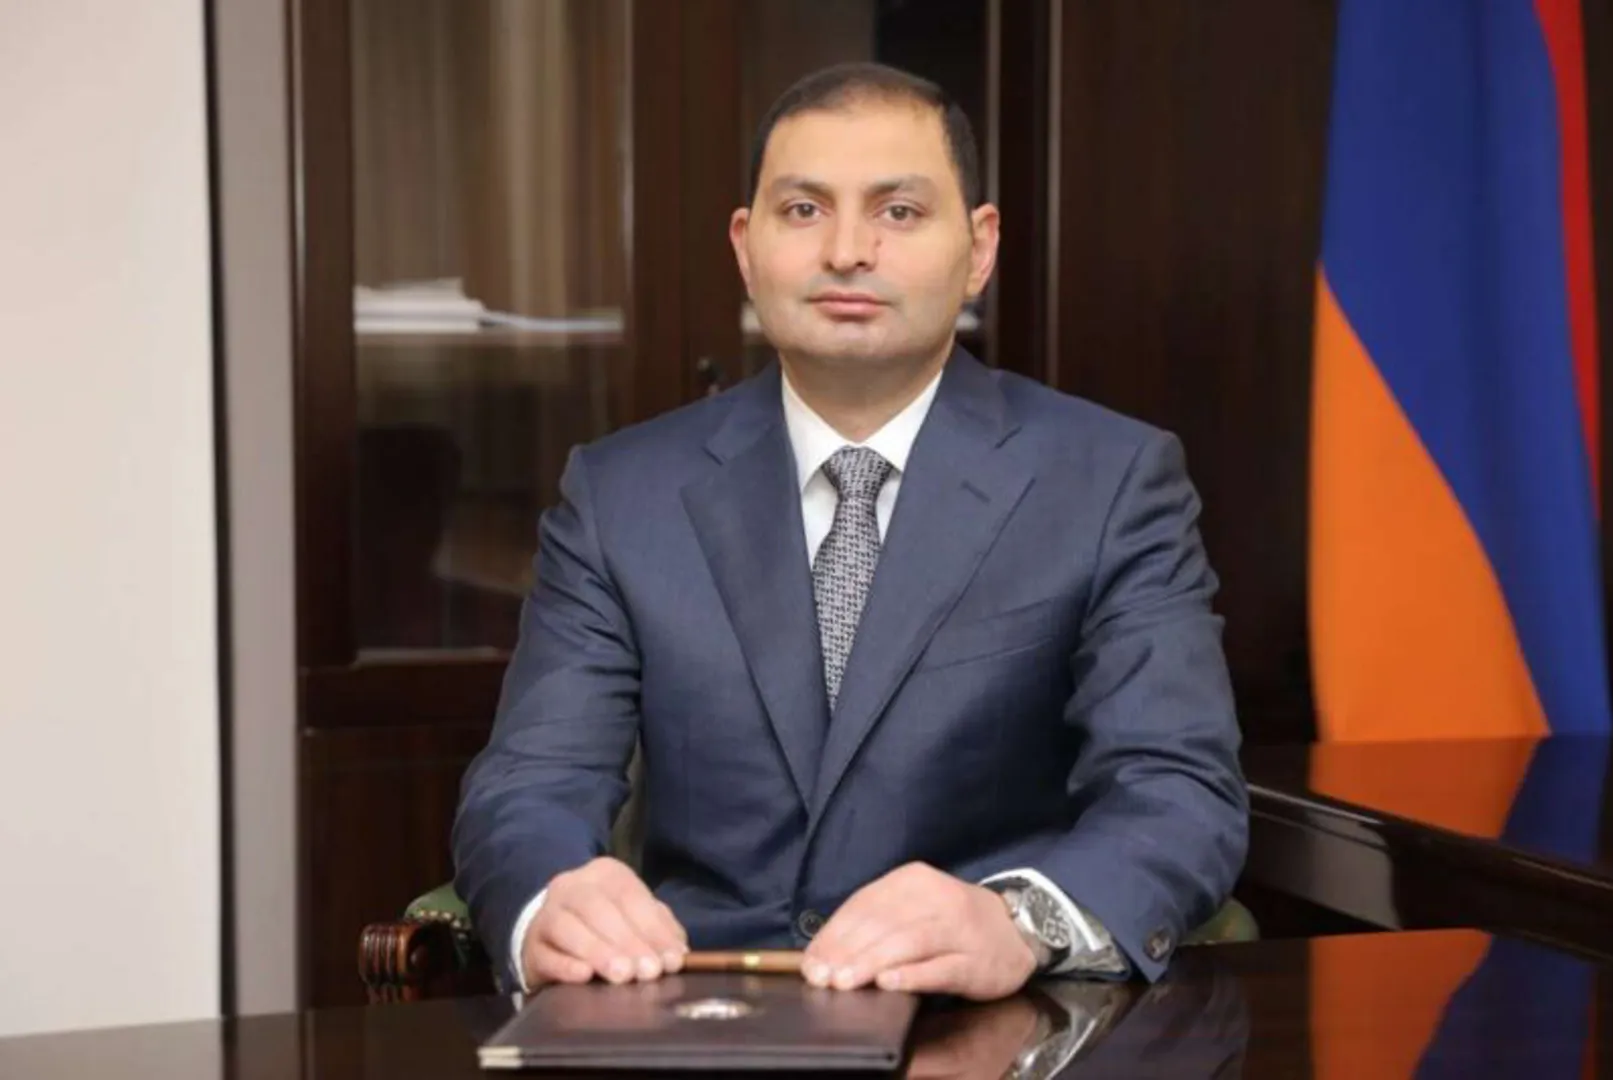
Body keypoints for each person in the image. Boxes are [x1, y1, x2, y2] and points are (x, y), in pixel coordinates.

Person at [453, 61, 1247, 1002]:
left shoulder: (1108, 481)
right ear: (745, 247)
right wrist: (553, 899)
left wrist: (1016, 921)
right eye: (803, 211)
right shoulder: (622, 494)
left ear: (979, 247)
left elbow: (1177, 791)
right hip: (700, 1008)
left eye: (898, 212)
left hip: (992, 1018)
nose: (846, 251)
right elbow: (528, 785)